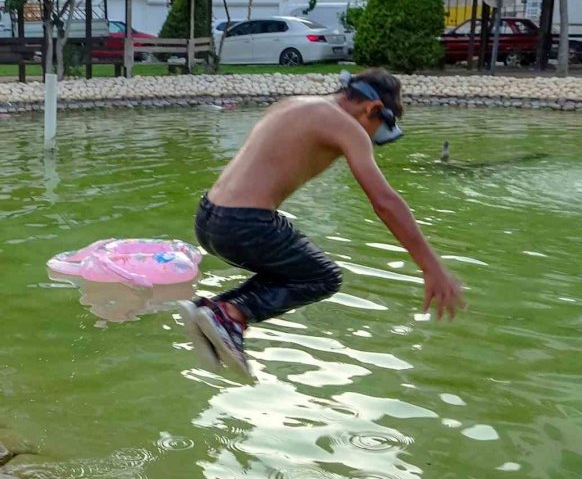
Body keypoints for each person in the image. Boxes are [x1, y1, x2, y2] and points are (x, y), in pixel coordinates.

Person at [178, 69, 466, 377]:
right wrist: (430, 266)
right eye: (374, 130)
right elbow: (385, 202)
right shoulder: (347, 126)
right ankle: (229, 314)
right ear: (371, 109)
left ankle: (212, 311)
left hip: (208, 217)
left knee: (292, 270)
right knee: (323, 277)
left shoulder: (292, 103)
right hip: (246, 223)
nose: (368, 139)